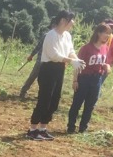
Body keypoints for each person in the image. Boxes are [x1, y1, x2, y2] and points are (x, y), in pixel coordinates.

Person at [27, 10, 83, 141]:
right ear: (63, 21)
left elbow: (70, 50)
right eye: (71, 20)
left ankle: (43, 128)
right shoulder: (50, 35)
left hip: (60, 69)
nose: (73, 23)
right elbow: (54, 55)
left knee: (54, 101)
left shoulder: (67, 36)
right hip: (48, 69)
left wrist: (76, 59)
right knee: (44, 100)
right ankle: (33, 129)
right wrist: (71, 61)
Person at [66, 23, 112, 134]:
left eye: (109, 33)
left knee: (90, 106)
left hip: (97, 80)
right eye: (105, 33)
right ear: (98, 33)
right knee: (77, 104)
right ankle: (71, 127)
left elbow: (106, 65)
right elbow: (78, 65)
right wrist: (75, 80)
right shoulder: (86, 48)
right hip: (84, 79)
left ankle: (83, 128)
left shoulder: (105, 48)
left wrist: (107, 67)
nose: (107, 36)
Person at [19, 20, 55, 99]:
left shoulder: (58, 37)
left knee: (44, 79)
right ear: (52, 26)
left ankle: (41, 95)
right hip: (41, 60)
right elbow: (38, 47)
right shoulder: (46, 35)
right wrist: (31, 55)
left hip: (50, 62)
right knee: (33, 76)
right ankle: (23, 91)